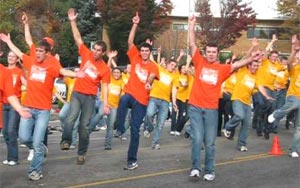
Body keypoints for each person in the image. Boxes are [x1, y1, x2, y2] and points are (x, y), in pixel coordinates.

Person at [187, 15, 260, 181]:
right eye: (209, 52)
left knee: (210, 142)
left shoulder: (222, 69)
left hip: (212, 109)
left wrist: (251, 58)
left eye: (214, 52)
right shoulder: (199, 62)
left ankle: (210, 170)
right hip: (196, 107)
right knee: (197, 139)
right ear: (205, 53)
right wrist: (191, 26)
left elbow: (237, 65)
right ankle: (195, 168)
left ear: (218, 54)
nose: (211, 54)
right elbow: (192, 45)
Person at [0, 32, 82, 181]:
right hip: (28, 107)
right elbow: (18, 51)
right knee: (24, 138)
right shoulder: (30, 61)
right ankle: (39, 148)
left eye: (40, 51)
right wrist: (8, 42)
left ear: (47, 53)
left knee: (37, 142)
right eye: (36, 51)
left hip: (43, 110)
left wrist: (77, 75)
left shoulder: (52, 65)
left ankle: (35, 170)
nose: (37, 53)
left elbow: (63, 71)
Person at [60, 8, 111, 166]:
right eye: (94, 49)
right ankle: (66, 141)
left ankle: (81, 153)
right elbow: (77, 38)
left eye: (98, 51)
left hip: (89, 97)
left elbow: (105, 86)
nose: (95, 52)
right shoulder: (86, 54)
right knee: (70, 118)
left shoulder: (104, 68)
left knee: (84, 126)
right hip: (77, 93)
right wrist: (72, 21)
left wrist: (106, 102)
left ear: (103, 53)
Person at [115, 12, 159, 170]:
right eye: (143, 51)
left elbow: (152, 76)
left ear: (150, 52)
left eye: (147, 51)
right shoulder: (135, 58)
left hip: (141, 101)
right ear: (140, 52)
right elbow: (130, 41)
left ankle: (131, 160)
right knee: (122, 100)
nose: (144, 53)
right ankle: (120, 129)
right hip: (130, 94)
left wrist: (148, 83)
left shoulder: (153, 66)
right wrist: (135, 24)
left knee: (135, 130)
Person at [268, 35, 300, 158]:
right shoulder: (296, 68)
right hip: (293, 96)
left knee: (299, 127)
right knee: (294, 104)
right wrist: (294, 50)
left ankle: (294, 149)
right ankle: (276, 114)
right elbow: (289, 63)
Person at [143, 58, 178, 149]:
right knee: (149, 114)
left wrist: (174, 102)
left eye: (174, 66)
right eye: (171, 65)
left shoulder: (175, 76)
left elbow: (174, 88)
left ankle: (155, 143)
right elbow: (151, 59)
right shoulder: (159, 69)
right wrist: (149, 46)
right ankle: (149, 128)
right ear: (167, 64)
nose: (172, 67)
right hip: (154, 97)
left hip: (165, 101)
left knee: (160, 123)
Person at [2, 51, 27, 166]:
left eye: (13, 56)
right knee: (5, 132)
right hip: (4, 104)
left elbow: (26, 84)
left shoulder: (19, 72)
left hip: (14, 105)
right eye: (9, 56)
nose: (10, 58)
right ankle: (10, 156)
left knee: (11, 131)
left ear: (17, 59)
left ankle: (14, 158)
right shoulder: (3, 71)